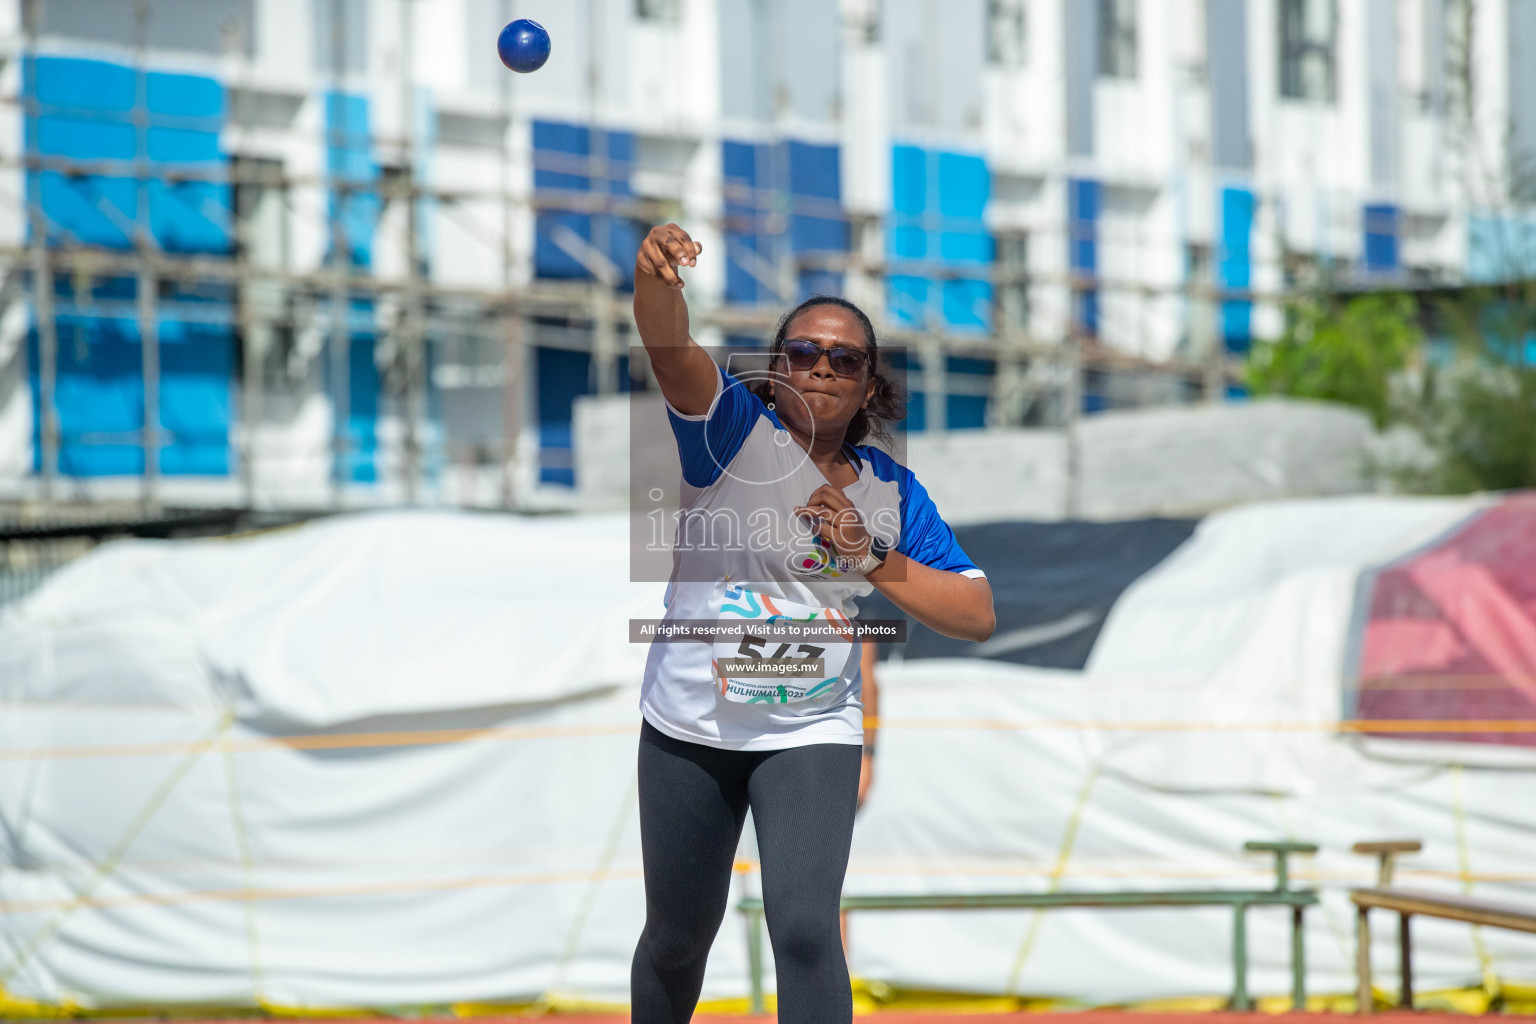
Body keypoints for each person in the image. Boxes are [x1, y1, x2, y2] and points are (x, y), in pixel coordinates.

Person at [629, 223, 994, 1024]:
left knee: (802, 930)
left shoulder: (894, 492)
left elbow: (977, 614)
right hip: (690, 723)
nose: (821, 367)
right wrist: (654, 278)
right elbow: (670, 347)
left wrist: (872, 561)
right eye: (802, 352)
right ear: (776, 367)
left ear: (869, 386)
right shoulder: (727, 432)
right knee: (678, 938)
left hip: (810, 730)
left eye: (845, 359)